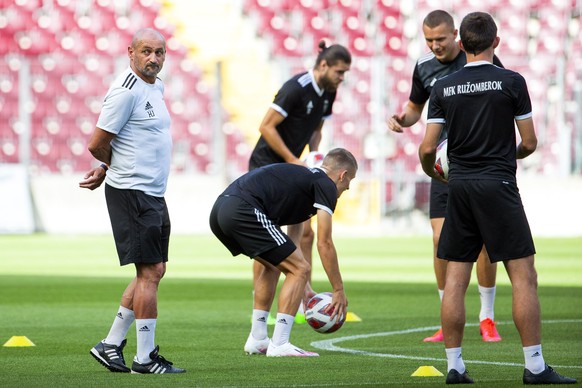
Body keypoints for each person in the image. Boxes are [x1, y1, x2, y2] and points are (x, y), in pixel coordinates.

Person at [419, 12, 577, 385]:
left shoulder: (443, 86)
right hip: (498, 185)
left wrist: (433, 171)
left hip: (457, 187)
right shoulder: (511, 81)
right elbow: (530, 142)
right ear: (497, 41)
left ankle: (455, 366)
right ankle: (535, 367)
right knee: (523, 276)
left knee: (456, 278)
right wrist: (509, 154)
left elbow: (428, 148)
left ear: (460, 43)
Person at [388, 10, 502, 343]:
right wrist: (402, 119)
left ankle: (487, 318)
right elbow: (414, 107)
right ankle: (446, 318)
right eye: (429, 40)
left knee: (482, 241)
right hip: (443, 166)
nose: (435, 46)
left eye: (441, 39)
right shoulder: (424, 66)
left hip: (479, 162)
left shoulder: (480, 58)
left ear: (456, 34)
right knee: (440, 241)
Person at [79, 28, 185, 374]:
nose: (153, 58)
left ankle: (110, 344)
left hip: (153, 191)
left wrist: (110, 163)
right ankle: (144, 358)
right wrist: (108, 166)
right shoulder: (125, 92)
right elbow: (97, 142)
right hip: (132, 191)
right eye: (146, 52)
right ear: (131, 53)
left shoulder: (156, 87)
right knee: (150, 271)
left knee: (154, 271)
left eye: (159, 52)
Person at [210, 148, 357, 356]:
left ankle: (258, 339)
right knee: (301, 268)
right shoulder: (326, 185)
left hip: (221, 210)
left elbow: (291, 246)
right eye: (350, 181)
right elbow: (324, 243)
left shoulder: (305, 183)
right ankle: (279, 343)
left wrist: (304, 288)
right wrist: (338, 290)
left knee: (274, 265)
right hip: (242, 208)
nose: (348, 187)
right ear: (342, 175)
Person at [248, 41, 351, 324]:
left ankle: (303, 291)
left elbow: (316, 129)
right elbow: (266, 127)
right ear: (323, 66)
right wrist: (293, 159)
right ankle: (262, 310)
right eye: (339, 72)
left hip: (294, 167)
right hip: (267, 168)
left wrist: (314, 155)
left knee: (307, 233)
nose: (342, 78)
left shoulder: (329, 91)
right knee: (268, 242)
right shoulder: (296, 87)